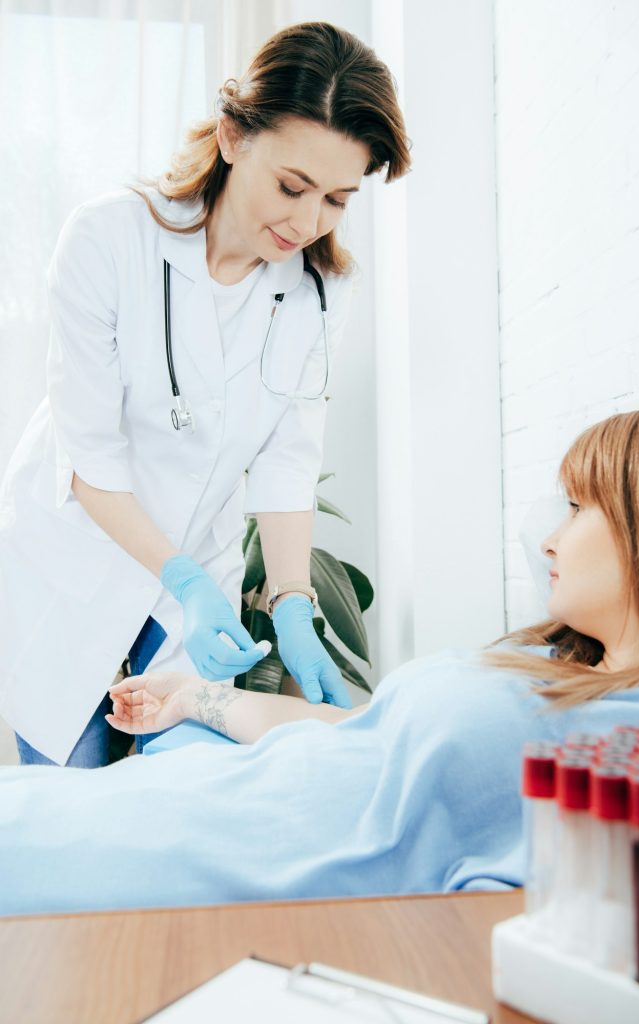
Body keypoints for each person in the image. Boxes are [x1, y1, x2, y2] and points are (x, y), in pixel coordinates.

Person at [0, 406, 639, 917]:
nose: (551, 541)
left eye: (577, 508)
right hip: (238, 798)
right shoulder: (557, 661)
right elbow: (361, 734)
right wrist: (192, 700)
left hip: (268, 856)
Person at [0, 22, 411, 767]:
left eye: (337, 199)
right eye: (292, 186)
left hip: (199, 577)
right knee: (76, 800)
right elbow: (91, 453)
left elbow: (289, 456)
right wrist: (181, 577)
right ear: (231, 136)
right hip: (77, 561)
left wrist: (291, 597)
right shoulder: (106, 240)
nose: (308, 222)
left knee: (186, 787)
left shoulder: (323, 289)